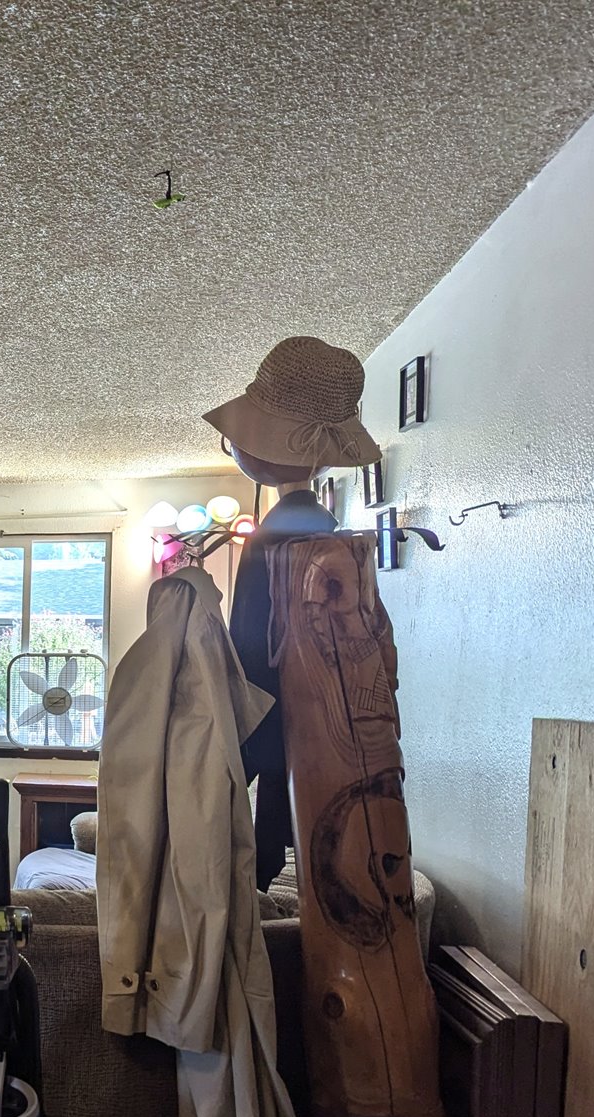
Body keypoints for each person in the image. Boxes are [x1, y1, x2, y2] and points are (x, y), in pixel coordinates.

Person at [202, 336, 382, 890]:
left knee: (235, 807)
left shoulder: (276, 537)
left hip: (272, 700)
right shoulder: (319, 526)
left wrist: (233, 715)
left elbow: (251, 637)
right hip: (310, 703)